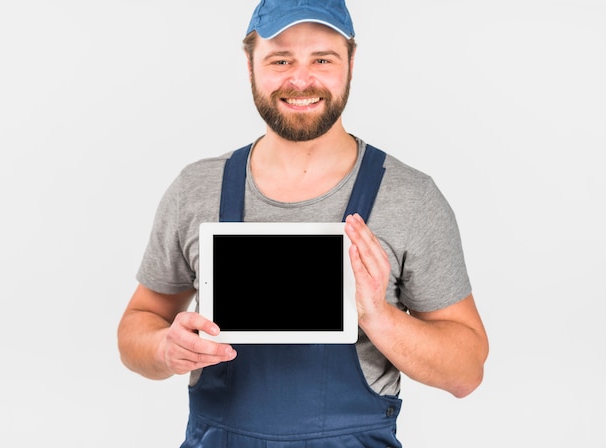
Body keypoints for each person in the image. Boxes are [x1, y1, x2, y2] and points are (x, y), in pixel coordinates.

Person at [117, 0, 489, 446]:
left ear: (351, 62)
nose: (301, 79)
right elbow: (138, 325)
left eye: (323, 59)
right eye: (281, 59)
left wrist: (378, 317)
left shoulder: (411, 198)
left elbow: (467, 373)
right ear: (250, 63)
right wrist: (164, 348)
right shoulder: (196, 189)